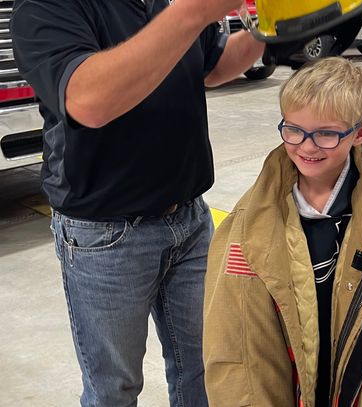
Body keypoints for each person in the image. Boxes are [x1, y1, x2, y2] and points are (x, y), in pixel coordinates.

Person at [11, 0, 264, 405]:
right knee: (114, 388)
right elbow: (88, 101)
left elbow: (214, 66)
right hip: (105, 234)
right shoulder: (46, 7)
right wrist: (191, 12)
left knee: (206, 367)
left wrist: (269, 26)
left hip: (190, 219)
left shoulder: (158, 3)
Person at [203, 57, 362, 407]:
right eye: (294, 130)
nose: (306, 146)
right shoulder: (248, 226)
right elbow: (234, 344)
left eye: (325, 133)